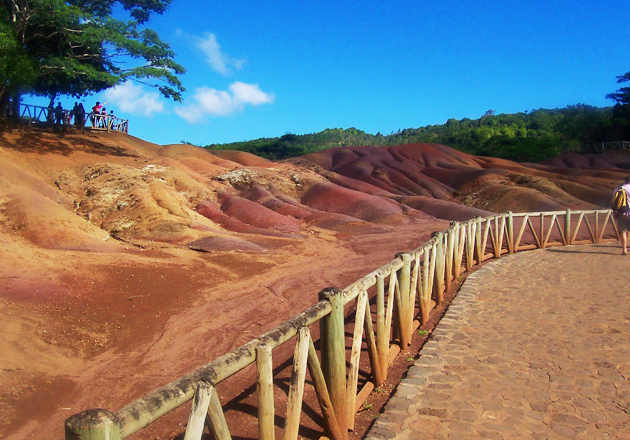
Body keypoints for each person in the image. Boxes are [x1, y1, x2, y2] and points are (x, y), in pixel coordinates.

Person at [613, 175, 630, 255]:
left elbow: (614, 202)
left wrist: (615, 212)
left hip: (621, 213)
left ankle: (624, 249)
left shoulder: (618, 189)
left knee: (623, 231)